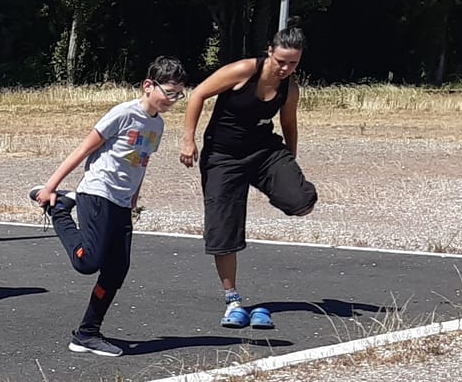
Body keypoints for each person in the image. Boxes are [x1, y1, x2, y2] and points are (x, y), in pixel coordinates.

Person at [29, 57, 190, 357]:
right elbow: (83, 149)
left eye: (179, 94)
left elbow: (141, 162)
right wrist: (50, 186)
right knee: (87, 262)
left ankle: (87, 334)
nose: (173, 99)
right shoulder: (123, 114)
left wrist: (134, 198)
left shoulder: (158, 124)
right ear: (148, 86)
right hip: (97, 192)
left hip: (120, 201)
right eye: (169, 92)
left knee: (116, 270)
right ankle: (60, 209)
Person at [177, 26, 317, 330]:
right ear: (269, 51)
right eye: (281, 61)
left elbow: (289, 124)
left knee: (302, 202)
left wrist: (289, 165)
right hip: (223, 156)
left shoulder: (289, 88)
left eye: (293, 63)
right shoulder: (243, 70)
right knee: (222, 230)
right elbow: (198, 93)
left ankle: (275, 187)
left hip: (263, 152)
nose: (285, 68)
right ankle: (233, 299)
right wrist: (188, 140)